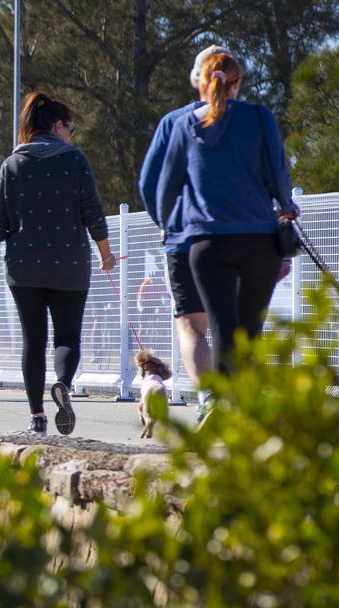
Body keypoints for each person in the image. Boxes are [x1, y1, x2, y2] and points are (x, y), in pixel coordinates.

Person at [0, 91, 115, 436]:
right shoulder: (75, 161)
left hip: (25, 267)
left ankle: (37, 417)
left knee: (33, 341)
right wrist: (105, 253)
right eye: (70, 128)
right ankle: (62, 383)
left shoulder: (13, 165)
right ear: (56, 125)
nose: (71, 134)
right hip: (69, 264)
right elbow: (92, 212)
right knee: (67, 336)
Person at [155, 50, 296, 376]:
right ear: (239, 82)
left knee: (221, 329)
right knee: (250, 333)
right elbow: (278, 175)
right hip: (261, 240)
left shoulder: (185, 124)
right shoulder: (260, 117)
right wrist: (287, 208)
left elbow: (165, 188)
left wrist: (167, 225)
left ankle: (222, 406)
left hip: (208, 243)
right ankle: (245, 411)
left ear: (201, 83)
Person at [140, 45, 230, 416]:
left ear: (197, 80)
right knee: (233, 325)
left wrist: (166, 221)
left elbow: (149, 183)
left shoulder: (174, 122)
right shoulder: (253, 120)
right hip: (245, 239)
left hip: (186, 237)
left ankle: (210, 400)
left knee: (192, 326)